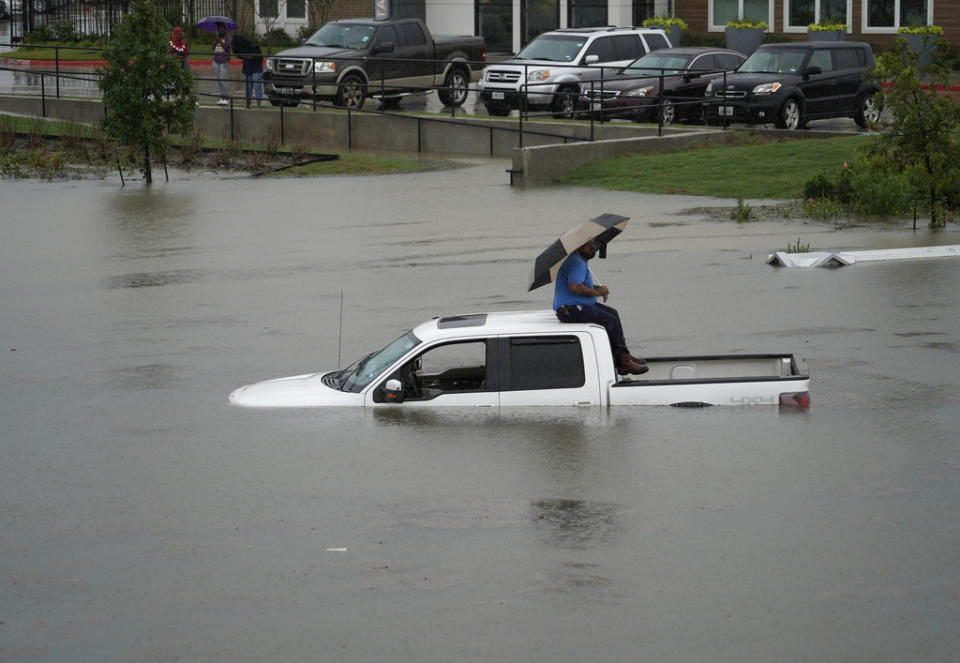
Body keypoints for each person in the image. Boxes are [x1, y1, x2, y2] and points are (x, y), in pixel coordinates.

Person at [553, 238, 648, 375]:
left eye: (594, 244)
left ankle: (624, 355)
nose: (593, 247)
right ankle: (624, 362)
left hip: (575, 306)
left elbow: (582, 285)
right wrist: (597, 292)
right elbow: (575, 287)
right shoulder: (577, 262)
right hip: (571, 310)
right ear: (577, 246)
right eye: (588, 244)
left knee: (613, 313)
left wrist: (599, 289)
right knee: (610, 320)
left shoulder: (578, 260)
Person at [234, 35, 264, 107]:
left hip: (256, 69)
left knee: (257, 88)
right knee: (248, 88)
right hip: (247, 69)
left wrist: (246, 56)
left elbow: (256, 56)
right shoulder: (242, 48)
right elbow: (238, 55)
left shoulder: (254, 46)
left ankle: (258, 105)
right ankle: (248, 104)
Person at [212, 22, 232, 105]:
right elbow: (213, 48)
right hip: (216, 60)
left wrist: (219, 40)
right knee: (218, 80)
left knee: (223, 79)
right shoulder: (216, 37)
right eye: (218, 29)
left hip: (224, 61)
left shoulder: (228, 37)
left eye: (221, 29)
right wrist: (215, 42)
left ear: (224, 29)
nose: (219, 31)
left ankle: (226, 98)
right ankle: (221, 97)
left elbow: (225, 47)